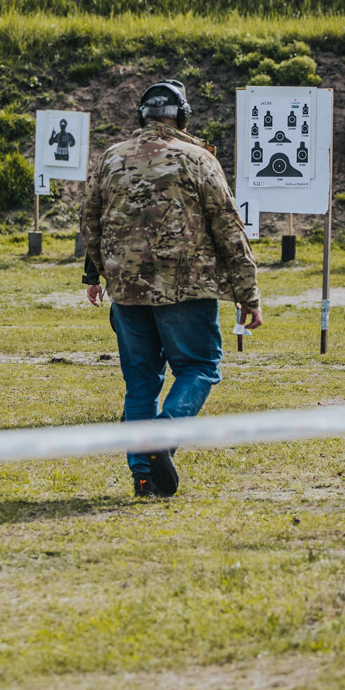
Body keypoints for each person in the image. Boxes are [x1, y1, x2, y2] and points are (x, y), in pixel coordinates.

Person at [82, 79, 263, 499]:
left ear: (141, 116)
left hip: (127, 291)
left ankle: (143, 476)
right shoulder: (198, 159)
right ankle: (164, 434)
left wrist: (96, 274)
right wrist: (247, 293)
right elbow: (229, 229)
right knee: (199, 368)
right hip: (187, 289)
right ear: (181, 116)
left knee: (141, 384)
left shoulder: (111, 158)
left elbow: (90, 221)